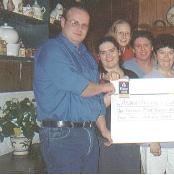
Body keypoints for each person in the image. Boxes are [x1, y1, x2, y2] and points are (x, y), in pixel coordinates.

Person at [33, 3, 115, 173]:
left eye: (84, 25)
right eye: (74, 22)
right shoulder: (52, 49)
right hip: (61, 136)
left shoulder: (87, 57)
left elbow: (94, 99)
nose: (80, 28)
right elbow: (83, 88)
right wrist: (110, 86)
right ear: (63, 22)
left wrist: (104, 129)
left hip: (89, 133)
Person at [140, 34, 174, 174]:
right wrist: (152, 139)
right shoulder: (146, 80)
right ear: (155, 54)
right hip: (154, 142)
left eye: (170, 52)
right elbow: (142, 114)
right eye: (162, 52)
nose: (166, 57)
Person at [97, 36, 141, 173]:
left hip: (129, 139)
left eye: (112, 51)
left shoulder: (132, 76)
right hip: (104, 140)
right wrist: (113, 86)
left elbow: (140, 107)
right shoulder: (94, 78)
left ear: (119, 52)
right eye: (103, 53)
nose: (108, 56)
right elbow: (94, 108)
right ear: (99, 56)